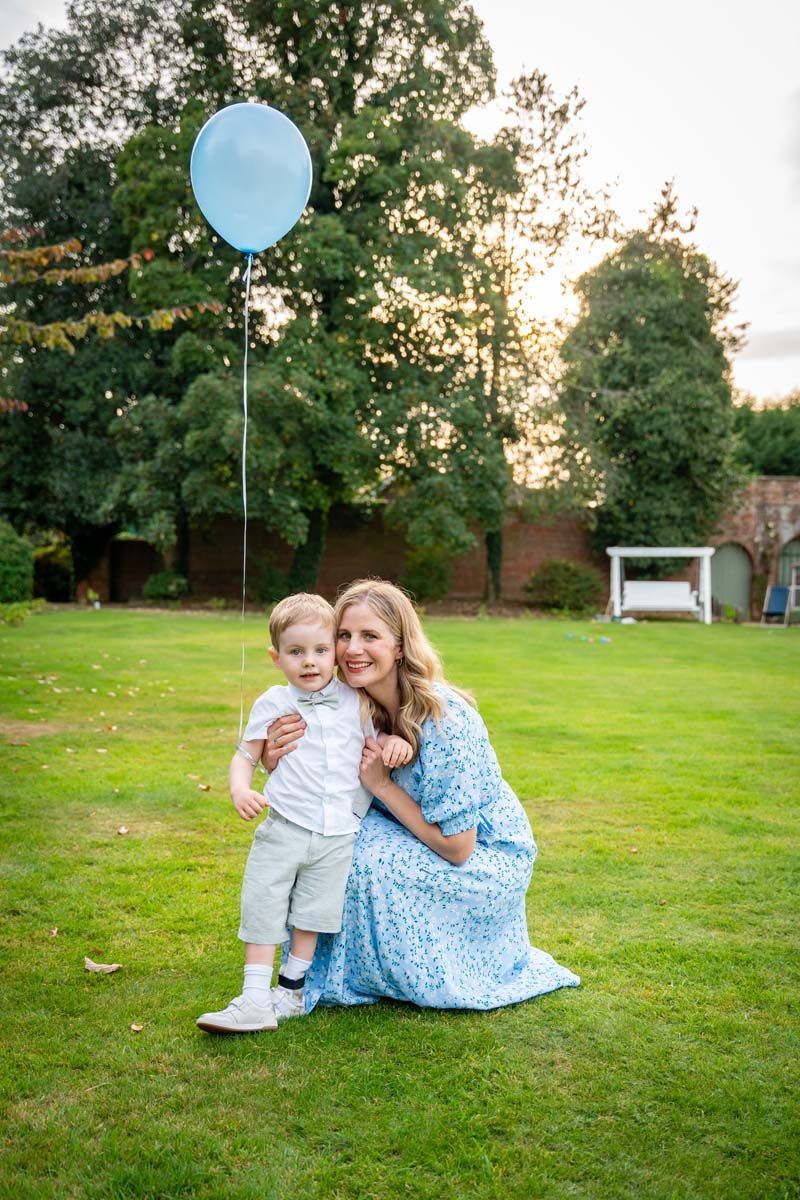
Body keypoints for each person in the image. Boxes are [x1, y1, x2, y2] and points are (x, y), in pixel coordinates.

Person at [261, 579, 580, 1012]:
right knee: (316, 837)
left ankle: (371, 973)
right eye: (344, 635)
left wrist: (382, 785)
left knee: (361, 856)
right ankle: (304, 972)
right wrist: (271, 756)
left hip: (483, 856)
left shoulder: (444, 719)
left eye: (370, 636)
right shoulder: (343, 705)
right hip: (405, 828)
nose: (353, 649)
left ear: (399, 647)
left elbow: (459, 847)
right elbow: (307, 786)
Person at [196, 592, 413, 1034]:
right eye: (296, 652)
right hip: (287, 825)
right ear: (276, 658)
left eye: (319, 650)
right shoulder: (273, 703)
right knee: (264, 901)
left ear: (334, 649)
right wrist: (241, 788)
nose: (310, 662)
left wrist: (397, 743)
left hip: (338, 833)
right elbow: (246, 755)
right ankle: (255, 997)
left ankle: (291, 992)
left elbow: (381, 738)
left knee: (314, 913)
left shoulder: (355, 699)